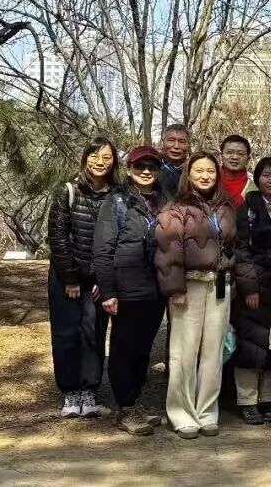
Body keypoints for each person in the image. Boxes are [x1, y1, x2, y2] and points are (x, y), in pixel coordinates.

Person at [154, 152, 237, 439]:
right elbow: (168, 252)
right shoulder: (175, 210)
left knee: (214, 353)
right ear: (188, 174)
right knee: (184, 352)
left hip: (221, 285)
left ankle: (207, 411)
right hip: (189, 286)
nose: (205, 176)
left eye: (210, 171)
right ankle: (180, 413)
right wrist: (175, 289)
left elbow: (233, 246)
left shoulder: (226, 207)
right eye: (199, 170)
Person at [93, 145, 166, 435]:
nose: (146, 171)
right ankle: (124, 407)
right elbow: (102, 250)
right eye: (139, 166)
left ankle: (135, 401)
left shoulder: (164, 200)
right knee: (124, 348)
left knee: (143, 348)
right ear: (129, 168)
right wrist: (109, 291)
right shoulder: (117, 201)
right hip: (126, 287)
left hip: (156, 288)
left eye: (152, 167)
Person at [48, 137, 118, 419]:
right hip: (66, 278)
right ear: (85, 157)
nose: (100, 162)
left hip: (98, 280)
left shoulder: (117, 195)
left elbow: (118, 240)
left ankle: (89, 390)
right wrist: (70, 279)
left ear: (114, 163)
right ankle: (70, 391)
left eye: (107, 157)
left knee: (94, 335)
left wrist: (105, 279)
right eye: (95, 156)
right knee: (66, 335)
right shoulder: (68, 190)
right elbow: (57, 236)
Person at [231, 156, 271, 427]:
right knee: (250, 344)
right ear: (258, 178)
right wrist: (249, 287)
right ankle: (247, 401)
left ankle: (269, 400)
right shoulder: (247, 208)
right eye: (266, 175)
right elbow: (240, 249)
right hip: (254, 286)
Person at [219, 134, 254, 207]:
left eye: (240, 154)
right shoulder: (210, 180)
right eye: (229, 152)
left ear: (248, 159)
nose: (235, 157)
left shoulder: (255, 185)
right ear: (221, 155)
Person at [158, 124, 190, 202]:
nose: (176, 146)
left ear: (188, 145)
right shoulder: (152, 168)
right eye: (171, 140)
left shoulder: (194, 170)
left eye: (182, 141)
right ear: (163, 143)